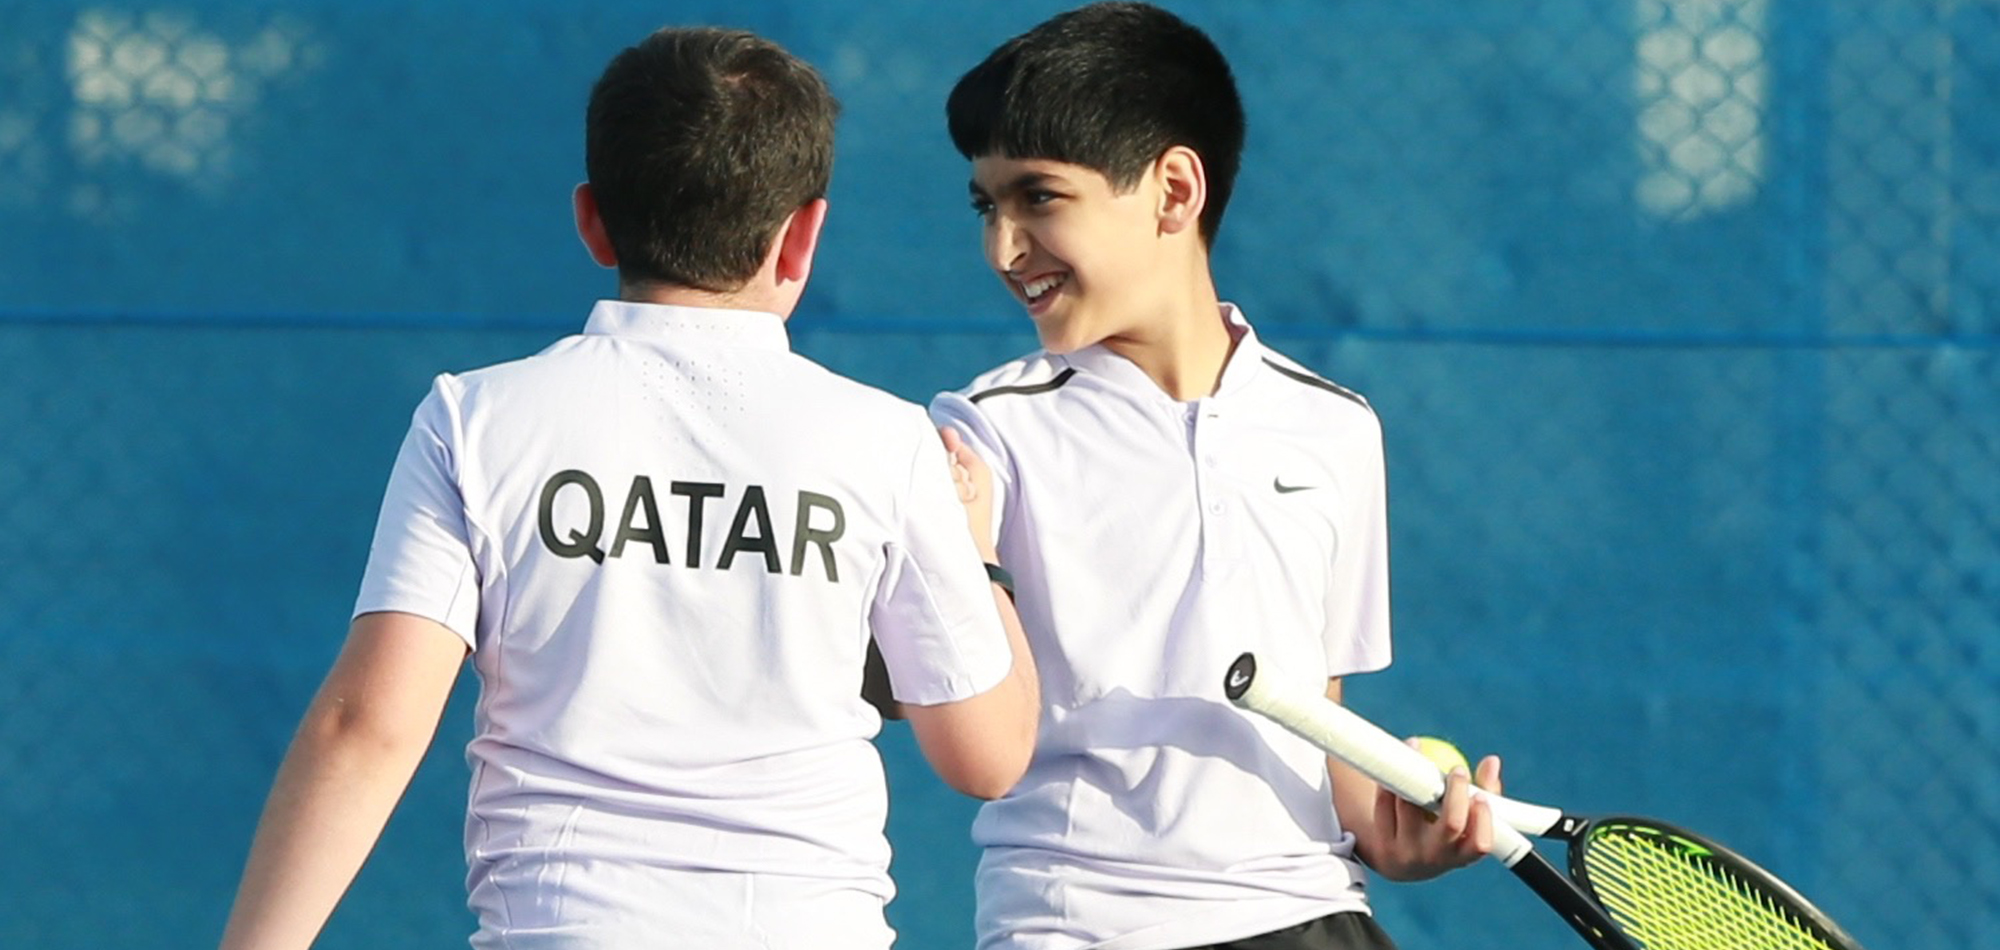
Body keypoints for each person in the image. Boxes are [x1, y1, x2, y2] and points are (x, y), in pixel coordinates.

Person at [217, 25, 1038, 950]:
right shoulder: (889, 445)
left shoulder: (475, 419)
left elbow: (369, 728)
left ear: (592, 218)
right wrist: (982, 557)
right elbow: (990, 755)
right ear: (803, 235)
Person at [927, 4, 1502, 948]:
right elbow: (965, 725)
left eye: (1039, 197)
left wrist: (1393, 831)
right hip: (1075, 923)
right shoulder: (979, 435)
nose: (1004, 247)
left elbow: (1313, 715)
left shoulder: (1337, 428)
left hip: (1310, 912)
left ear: (1175, 190)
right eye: (988, 206)